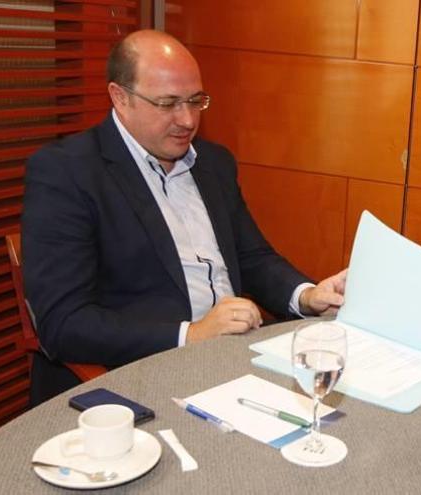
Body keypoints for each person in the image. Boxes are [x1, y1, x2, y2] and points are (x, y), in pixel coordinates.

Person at [22, 30, 346, 405]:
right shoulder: (66, 172)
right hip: (140, 378)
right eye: (168, 103)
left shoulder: (214, 163)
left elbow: (252, 257)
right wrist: (190, 335)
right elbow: (63, 324)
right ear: (120, 98)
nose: (187, 119)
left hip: (232, 361)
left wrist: (306, 296)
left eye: (195, 101)